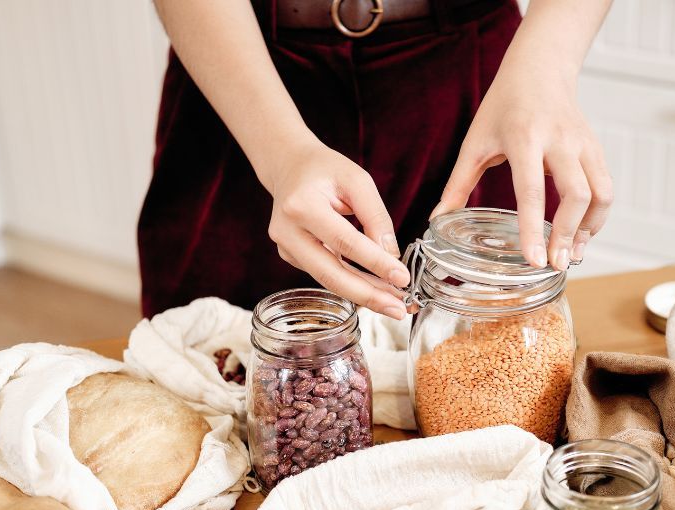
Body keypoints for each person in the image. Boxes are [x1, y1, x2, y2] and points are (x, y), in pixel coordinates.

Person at [139, 0, 613, 319]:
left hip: (480, 79)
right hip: (240, 76)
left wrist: (545, 70)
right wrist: (282, 154)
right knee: (218, 368)